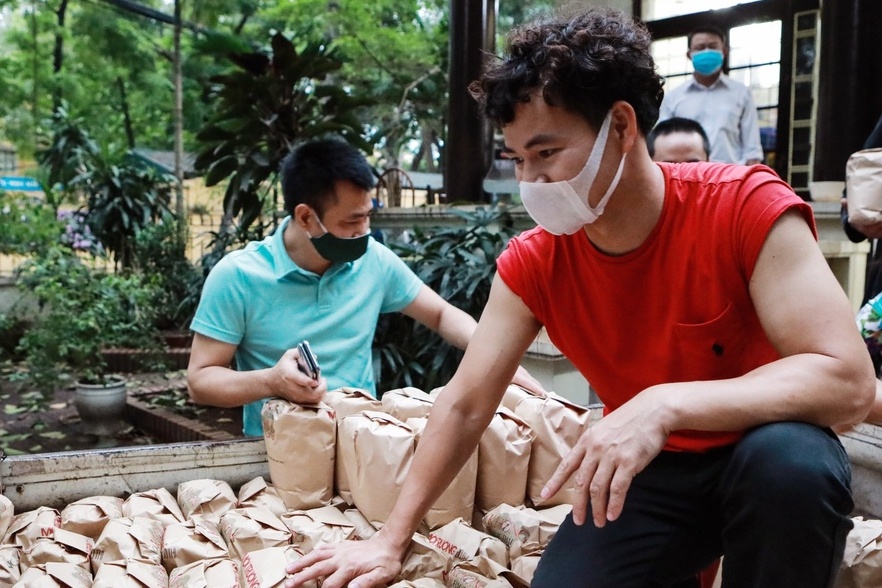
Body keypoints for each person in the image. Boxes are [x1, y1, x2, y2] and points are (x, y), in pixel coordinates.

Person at [286, 7, 875, 588]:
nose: (530, 181)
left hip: (765, 451)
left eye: (546, 154)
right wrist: (391, 540)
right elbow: (465, 404)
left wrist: (665, 404)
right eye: (518, 160)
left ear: (620, 126)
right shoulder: (536, 262)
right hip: (649, 467)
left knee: (791, 466)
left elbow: (846, 380)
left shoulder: (744, 208)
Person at [187, 137, 544, 437]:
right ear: (306, 217)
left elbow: (440, 314)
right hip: (280, 454)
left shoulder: (373, 259)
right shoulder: (237, 276)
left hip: (365, 448)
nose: (365, 231)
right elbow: (201, 381)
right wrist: (272, 382)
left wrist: (496, 360)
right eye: (351, 221)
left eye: (368, 216)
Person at [658, 26, 764, 166]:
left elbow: (752, 151)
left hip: (730, 175)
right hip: (687, 175)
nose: (706, 51)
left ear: (724, 51)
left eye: (713, 46)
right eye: (700, 47)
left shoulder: (742, 94)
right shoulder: (673, 98)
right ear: (689, 55)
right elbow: (661, 145)